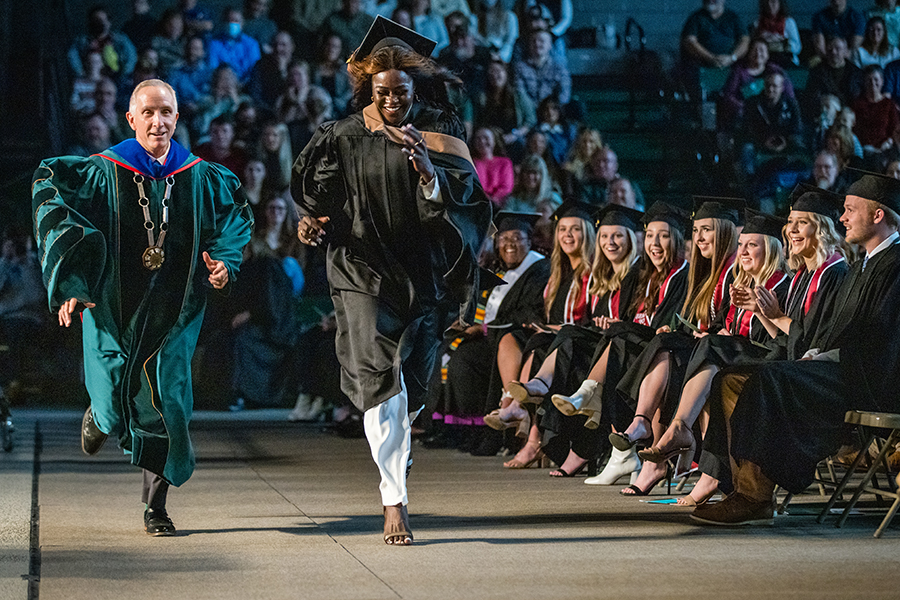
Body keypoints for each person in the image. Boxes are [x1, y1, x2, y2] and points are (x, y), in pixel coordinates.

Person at [291, 17, 492, 545]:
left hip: (423, 273)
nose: (392, 101)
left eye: (401, 90)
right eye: (383, 92)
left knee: (413, 388)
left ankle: (397, 460)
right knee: (380, 379)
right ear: (370, 88)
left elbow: (471, 203)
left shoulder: (440, 131)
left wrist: (428, 173)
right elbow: (320, 200)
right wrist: (312, 222)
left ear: (413, 86)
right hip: (362, 270)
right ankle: (393, 501)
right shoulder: (343, 135)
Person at [32, 79, 253, 536]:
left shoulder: (200, 176)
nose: (158, 121)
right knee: (114, 399)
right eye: (148, 112)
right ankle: (100, 414)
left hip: (174, 311)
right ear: (130, 119)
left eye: (166, 112)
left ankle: (156, 506)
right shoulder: (101, 171)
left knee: (166, 402)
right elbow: (52, 197)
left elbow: (234, 217)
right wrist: (72, 280)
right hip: (111, 306)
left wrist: (224, 263)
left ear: (177, 118)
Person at [692, 173, 900, 526]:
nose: (843, 218)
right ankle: (744, 488)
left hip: (870, 380)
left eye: (850, 210)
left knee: (770, 379)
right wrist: (817, 351)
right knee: (730, 380)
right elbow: (839, 331)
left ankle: (756, 496)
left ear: (878, 215)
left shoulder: (893, 265)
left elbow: (878, 339)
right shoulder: (864, 265)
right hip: (841, 369)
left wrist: (822, 355)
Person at [693, 184, 849, 507]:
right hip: (797, 363)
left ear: (822, 229)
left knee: (743, 379)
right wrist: (767, 314)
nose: (791, 230)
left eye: (801, 223)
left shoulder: (833, 274)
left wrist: (774, 315)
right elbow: (790, 337)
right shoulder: (807, 274)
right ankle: (736, 483)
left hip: (817, 374)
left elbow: (813, 342)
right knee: (725, 378)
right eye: (789, 223)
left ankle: (750, 490)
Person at [634, 209, 791, 505]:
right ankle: (704, 467)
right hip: (737, 356)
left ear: (770, 248)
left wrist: (760, 312)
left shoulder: (782, 285)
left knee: (709, 353)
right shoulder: (742, 285)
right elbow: (727, 328)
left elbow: (780, 343)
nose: (742, 251)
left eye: (752, 245)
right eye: (741, 245)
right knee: (695, 357)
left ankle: (682, 433)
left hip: (770, 362)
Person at [609, 197, 741, 496]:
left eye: (706, 230)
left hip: (726, 353)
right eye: (696, 231)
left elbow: (730, 323)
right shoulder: (705, 273)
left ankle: (654, 437)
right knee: (662, 347)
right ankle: (651, 439)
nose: (700, 238)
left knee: (662, 349)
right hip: (705, 351)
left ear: (725, 232)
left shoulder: (734, 270)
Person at [504, 205, 643, 478]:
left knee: (562, 341)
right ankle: (530, 407)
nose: (610, 243)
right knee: (544, 341)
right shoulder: (604, 277)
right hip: (600, 345)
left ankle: (536, 403)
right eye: (605, 237)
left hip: (619, 348)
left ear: (630, 239)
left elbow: (624, 321)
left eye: (617, 236)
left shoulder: (633, 274)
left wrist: (609, 324)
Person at [431, 212, 549, 456]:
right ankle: (460, 429)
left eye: (517, 238)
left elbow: (532, 312)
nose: (509, 244)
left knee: (465, 361)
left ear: (529, 242)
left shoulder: (539, 270)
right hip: (493, 337)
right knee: (447, 350)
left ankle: (487, 431)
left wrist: (483, 328)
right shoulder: (502, 270)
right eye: (503, 239)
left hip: (517, 339)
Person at [489, 200, 596, 470]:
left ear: (587, 235)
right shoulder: (557, 273)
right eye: (562, 230)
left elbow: (590, 321)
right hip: (558, 342)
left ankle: (524, 424)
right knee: (523, 342)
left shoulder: (594, 272)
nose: (568, 236)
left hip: (584, 345)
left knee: (540, 347)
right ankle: (520, 415)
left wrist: (555, 330)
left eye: (575, 230)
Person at [718, 37, 796, 132]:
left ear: (767, 54)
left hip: (773, 113)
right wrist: (745, 108)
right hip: (745, 115)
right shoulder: (739, 72)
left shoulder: (776, 71)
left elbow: (789, 95)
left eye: (762, 50)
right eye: (755, 50)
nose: (758, 53)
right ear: (749, 53)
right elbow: (729, 95)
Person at [680, 0, 749, 98]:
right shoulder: (696, 18)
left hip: (729, 67)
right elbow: (689, 42)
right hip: (701, 69)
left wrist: (732, 58)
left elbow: (745, 40)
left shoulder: (732, 17)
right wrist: (711, 58)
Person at [68, 5, 138, 84]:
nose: (99, 23)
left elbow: (131, 57)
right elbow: (73, 58)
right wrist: (82, 74)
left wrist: (122, 74)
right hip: (91, 81)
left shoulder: (121, 40)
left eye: (102, 20)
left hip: (117, 81)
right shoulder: (82, 42)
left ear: (109, 22)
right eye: (96, 20)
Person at [803, 35, 862, 122]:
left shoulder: (855, 73)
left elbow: (857, 96)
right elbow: (811, 95)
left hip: (848, 110)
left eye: (838, 49)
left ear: (845, 51)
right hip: (825, 109)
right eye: (830, 49)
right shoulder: (818, 71)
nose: (833, 52)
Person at [512, 26, 571, 108]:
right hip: (528, 112)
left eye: (541, 41)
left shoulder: (560, 68)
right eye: (533, 41)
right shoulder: (520, 67)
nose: (537, 44)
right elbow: (519, 93)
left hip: (552, 113)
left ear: (550, 45)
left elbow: (564, 95)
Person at [849, 64, 900, 158]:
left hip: (884, 150)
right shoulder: (857, 104)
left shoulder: (889, 104)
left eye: (876, 79)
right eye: (869, 80)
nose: (872, 83)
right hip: (861, 151)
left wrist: (888, 142)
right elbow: (852, 129)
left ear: (882, 81)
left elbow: (894, 129)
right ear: (864, 82)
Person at [207, 8, 262, 84]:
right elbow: (213, 68)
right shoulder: (214, 43)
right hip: (221, 84)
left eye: (236, 21)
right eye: (230, 21)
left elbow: (254, 70)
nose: (232, 24)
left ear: (242, 23)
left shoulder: (252, 44)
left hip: (246, 86)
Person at [471, 126, 514, 207]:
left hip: (499, 205)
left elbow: (506, 187)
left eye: (486, 138)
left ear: (494, 141)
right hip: (477, 204)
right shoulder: (471, 162)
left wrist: (492, 200)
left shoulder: (505, 163)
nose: (482, 141)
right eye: (478, 139)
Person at [751, 0, 802, 67]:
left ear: (780, 3)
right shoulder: (757, 23)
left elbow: (797, 47)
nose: (769, 5)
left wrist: (782, 41)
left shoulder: (789, 22)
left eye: (773, 2)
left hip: (786, 60)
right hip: (765, 62)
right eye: (766, 3)